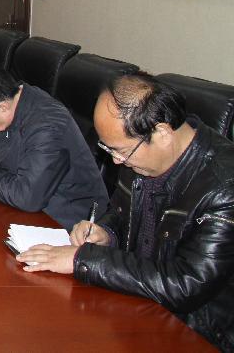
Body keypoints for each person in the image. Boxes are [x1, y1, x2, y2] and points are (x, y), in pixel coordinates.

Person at [16, 72, 234, 350]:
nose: (117, 161)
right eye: (109, 149)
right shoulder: (139, 157)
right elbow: (121, 214)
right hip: (138, 302)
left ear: (162, 133)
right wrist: (105, 232)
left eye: (121, 151)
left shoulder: (224, 187)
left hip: (195, 332)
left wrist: (84, 260)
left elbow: (187, 284)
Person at [0, 62, 108, 228]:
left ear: (2, 107)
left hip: (66, 221)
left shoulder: (47, 124)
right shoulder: (8, 102)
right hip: (26, 207)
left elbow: (27, 196)